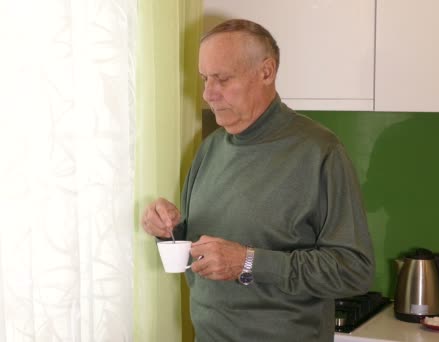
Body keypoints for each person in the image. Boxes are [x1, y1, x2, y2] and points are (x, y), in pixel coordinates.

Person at [142, 19, 375, 342]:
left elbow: (355, 270)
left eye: (222, 78)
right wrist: (169, 232)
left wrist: (248, 262)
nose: (208, 93)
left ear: (266, 72)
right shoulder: (209, 149)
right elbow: (201, 258)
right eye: (204, 78)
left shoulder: (320, 152)